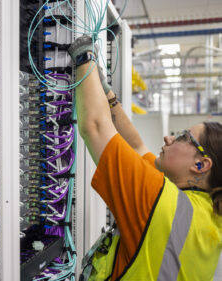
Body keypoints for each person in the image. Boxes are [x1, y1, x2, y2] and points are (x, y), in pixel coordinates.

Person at [68, 35, 222, 281]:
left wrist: (84, 57)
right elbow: (138, 147)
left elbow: (95, 127)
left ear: (200, 165)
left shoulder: (163, 202)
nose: (168, 139)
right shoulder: (207, 212)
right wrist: (109, 97)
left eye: (183, 136)